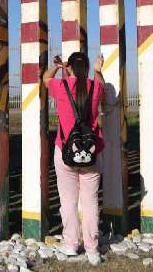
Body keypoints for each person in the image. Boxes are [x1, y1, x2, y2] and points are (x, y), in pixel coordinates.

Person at [42, 52, 105, 266]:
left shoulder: (61, 87)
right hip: (91, 154)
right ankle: (92, 248)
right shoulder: (95, 87)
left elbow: (44, 79)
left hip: (66, 152)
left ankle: (70, 243)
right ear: (86, 68)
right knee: (90, 202)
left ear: (70, 67)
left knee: (68, 201)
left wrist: (60, 67)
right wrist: (98, 71)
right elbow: (101, 85)